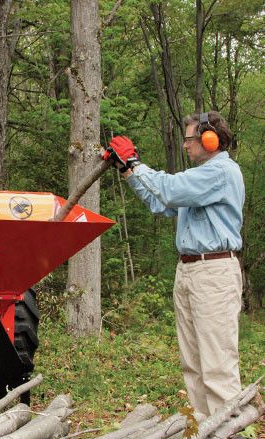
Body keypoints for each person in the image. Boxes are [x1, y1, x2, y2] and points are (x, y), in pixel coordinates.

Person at [104, 111, 244, 416]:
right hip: (191, 270)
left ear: (210, 140)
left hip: (213, 272)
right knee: (193, 364)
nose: (185, 145)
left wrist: (135, 162)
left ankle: (229, 438)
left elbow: (169, 188)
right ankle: (203, 434)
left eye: (189, 139)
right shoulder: (200, 179)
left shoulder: (220, 172)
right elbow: (160, 202)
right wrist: (127, 171)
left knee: (217, 365)